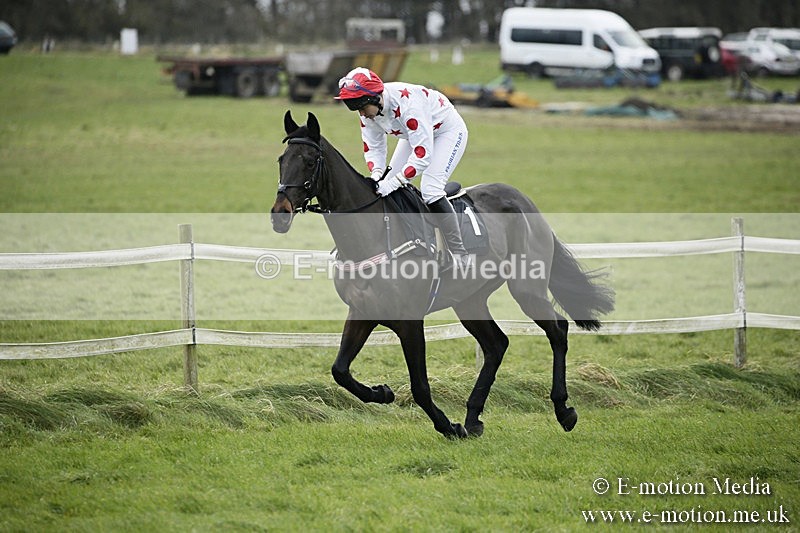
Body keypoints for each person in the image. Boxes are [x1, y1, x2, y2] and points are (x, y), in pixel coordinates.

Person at [335, 67, 471, 268]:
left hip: (446, 131)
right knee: (383, 184)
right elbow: (374, 147)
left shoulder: (408, 107)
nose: (362, 114)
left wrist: (395, 182)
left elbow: (422, 157)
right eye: (356, 108)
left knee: (430, 189)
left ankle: (459, 253)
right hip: (412, 133)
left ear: (375, 98)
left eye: (362, 107)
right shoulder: (367, 111)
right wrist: (377, 175)